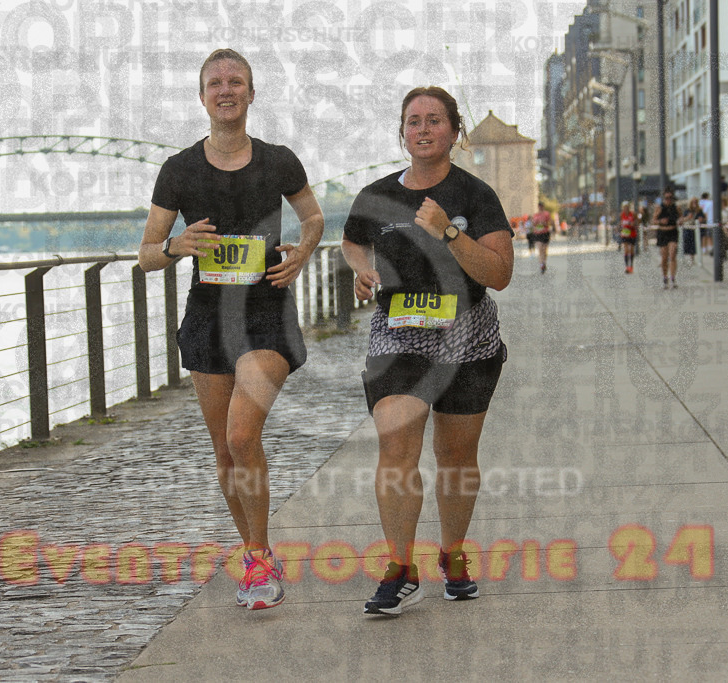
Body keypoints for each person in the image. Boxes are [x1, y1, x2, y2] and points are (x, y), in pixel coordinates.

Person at [138, 49, 324, 611]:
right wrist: (176, 246)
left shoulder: (278, 161)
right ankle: (254, 554)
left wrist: (302, 254)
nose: (226, 90)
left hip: (264, 312)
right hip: (207, 316)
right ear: (202, 97)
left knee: (243, 436)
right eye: (216, 82)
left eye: (236, 81)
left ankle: (261, 558)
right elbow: (145, 254)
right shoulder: (179, 170)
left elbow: (313, 218)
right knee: (224, 449)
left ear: (250, 93)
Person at [341, 86, 513, 616]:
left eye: (434, 120)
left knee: (456, 457)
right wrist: (360, 268)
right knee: (396, 444)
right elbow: (353, 239)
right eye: (413, 120)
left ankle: (453, 554)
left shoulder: (476, 195)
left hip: (467, 333)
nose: (423, 129)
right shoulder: (376, 194)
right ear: (402, 131)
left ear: (454, 131)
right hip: (399, 331)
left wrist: (448, 234)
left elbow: (500, 274)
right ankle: (399, 566)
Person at [654, 190, 680, 288]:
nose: (669, 200)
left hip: (673, 232)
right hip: (662, 232)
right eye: (666, 198)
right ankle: (665, 277)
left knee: (672, 254)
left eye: (670, 198)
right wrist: (660, 221)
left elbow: (681, 218)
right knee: (664, 258)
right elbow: (654, 220)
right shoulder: (659, 208)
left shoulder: (676, 208)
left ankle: (673, 277)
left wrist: (682, 220)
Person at [530, 202, 553, 272]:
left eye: (541, 206)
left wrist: (545, 223)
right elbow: (533, 224)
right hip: (537, 233)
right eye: (539, 206)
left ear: (543, 206)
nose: (540, 207)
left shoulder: (547, 214)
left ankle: (544, 262)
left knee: (544, 250)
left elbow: (551, 223)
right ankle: (541, 265)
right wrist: (535, 223)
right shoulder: (535, 215)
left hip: (545, 233)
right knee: (540, 249)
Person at [619, 201, 638, 273]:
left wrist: (633, 224)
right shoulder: (622, 214)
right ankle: (627, 267)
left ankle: (631, 266)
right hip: (625, 234)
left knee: (631, 250)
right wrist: (621, 227)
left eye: (627, 207)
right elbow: (621, 223)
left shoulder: (633, 214)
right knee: (626, 250)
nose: (626, 208)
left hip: (632, 234)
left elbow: (636, 222)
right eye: (624, 207)